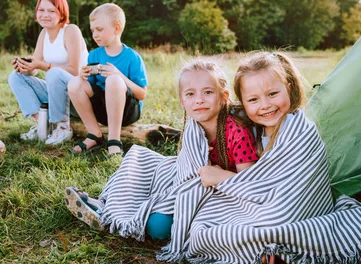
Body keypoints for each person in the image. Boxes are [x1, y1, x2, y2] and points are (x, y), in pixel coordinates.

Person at [67, 51, 361, 263]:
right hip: (218, 187)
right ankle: (109, 207)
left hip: (267, 202)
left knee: (189, 229)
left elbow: (271, 191)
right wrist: (200, 181)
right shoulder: (231, 125)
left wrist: (213, 179)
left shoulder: (296, 131)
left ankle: (265, 252)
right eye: (254, 99)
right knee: (147, 167)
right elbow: (191, 173)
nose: (265, 105)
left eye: (273, 94)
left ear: (290, 90)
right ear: (242, 102)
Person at [64, 59, 258, 240]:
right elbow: (186, 166)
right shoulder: (194, 124)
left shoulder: (236, 132)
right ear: (182, 101)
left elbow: (249, 183)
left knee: (158, 226)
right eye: (190, 94)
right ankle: (105, 205)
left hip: (220, 191)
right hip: (189, 178)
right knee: (141, 162)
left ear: (223, 97)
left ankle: (115, 214)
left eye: (208, 92)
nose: (199, 100)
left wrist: (216, 174)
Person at [8, 0, 88, 145]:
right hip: (57, 93)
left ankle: (63, 127)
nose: (45, 15)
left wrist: (43, 65)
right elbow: (35, 68)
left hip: (79, 97)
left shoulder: (71, 31)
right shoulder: (44, 34)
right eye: (41, 10)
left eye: (51, 11)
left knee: (54, 73)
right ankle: (43, 123)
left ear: (61, 13)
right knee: (15, 77)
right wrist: (24, 67)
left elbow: (75, 71)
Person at [68, 3, 148, 155]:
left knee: (113, 80)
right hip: (102, 110)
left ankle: (114, 139)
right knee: (74, 82)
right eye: (92, 30)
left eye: (99, 29)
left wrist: (119, 76)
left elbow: (142, 94)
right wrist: (83, 76)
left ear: (116, 29)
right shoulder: (94, 55)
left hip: (127, 111)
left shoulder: (132, 57)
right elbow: (89, 89)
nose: (95, 35)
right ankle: (94, 135)